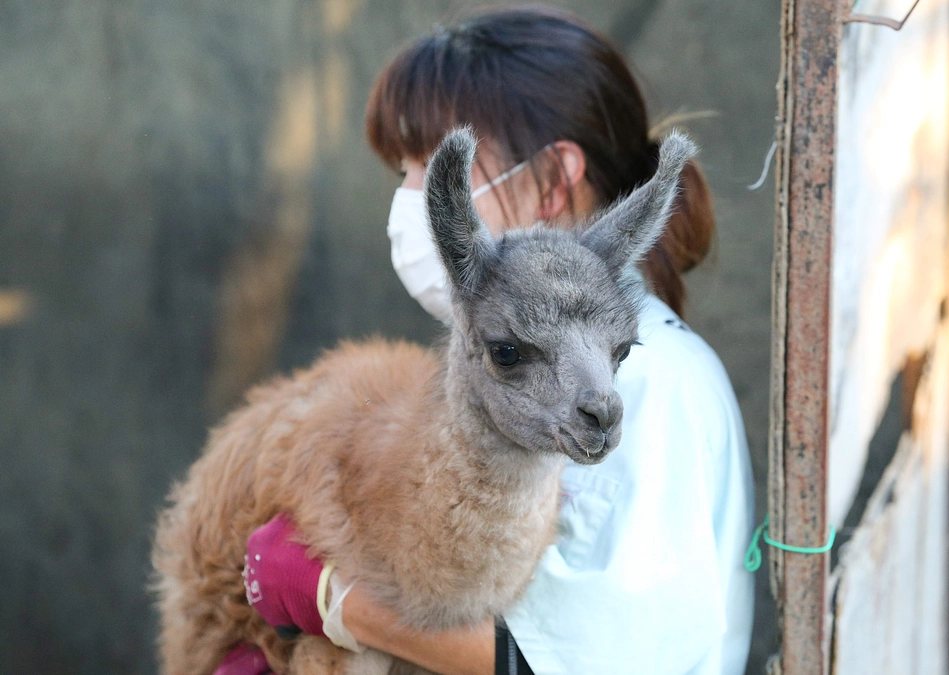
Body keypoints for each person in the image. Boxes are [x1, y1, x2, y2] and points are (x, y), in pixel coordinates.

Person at [220, 7, 754, 675]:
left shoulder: (645, 386)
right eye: (405, 173)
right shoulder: (510, 369)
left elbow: (581, 659)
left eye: (432, 168)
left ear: (555, 180)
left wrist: (333, 600)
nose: (412, 200)